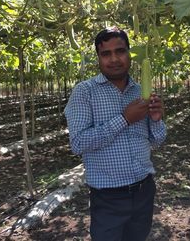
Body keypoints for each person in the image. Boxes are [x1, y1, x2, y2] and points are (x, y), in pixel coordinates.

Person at [64, 26, 166, 241]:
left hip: (144, 190)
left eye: (120, 51)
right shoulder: (85, 92)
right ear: (99, 58)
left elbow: (157, 141)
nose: (114, 59)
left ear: (129, 54)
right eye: (106, 54)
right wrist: (125, 119)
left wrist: (156, 121)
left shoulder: (141, 92)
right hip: (108, 195)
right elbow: (78, 143)